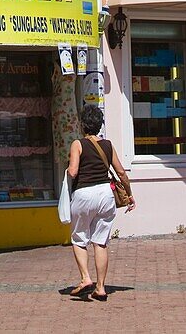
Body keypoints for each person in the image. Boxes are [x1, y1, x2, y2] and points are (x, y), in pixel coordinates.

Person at [66, 103, 136, 302]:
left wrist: (67, 170)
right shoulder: (107, 145)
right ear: (100, 125)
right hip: (106, 195)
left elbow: (73, 172)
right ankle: (101, 288)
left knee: (79, 239)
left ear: (82, 125)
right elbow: (121, 172)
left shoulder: (77, 144)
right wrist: (129, 195)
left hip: (84, 195)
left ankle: (85, 278)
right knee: (100, 242)